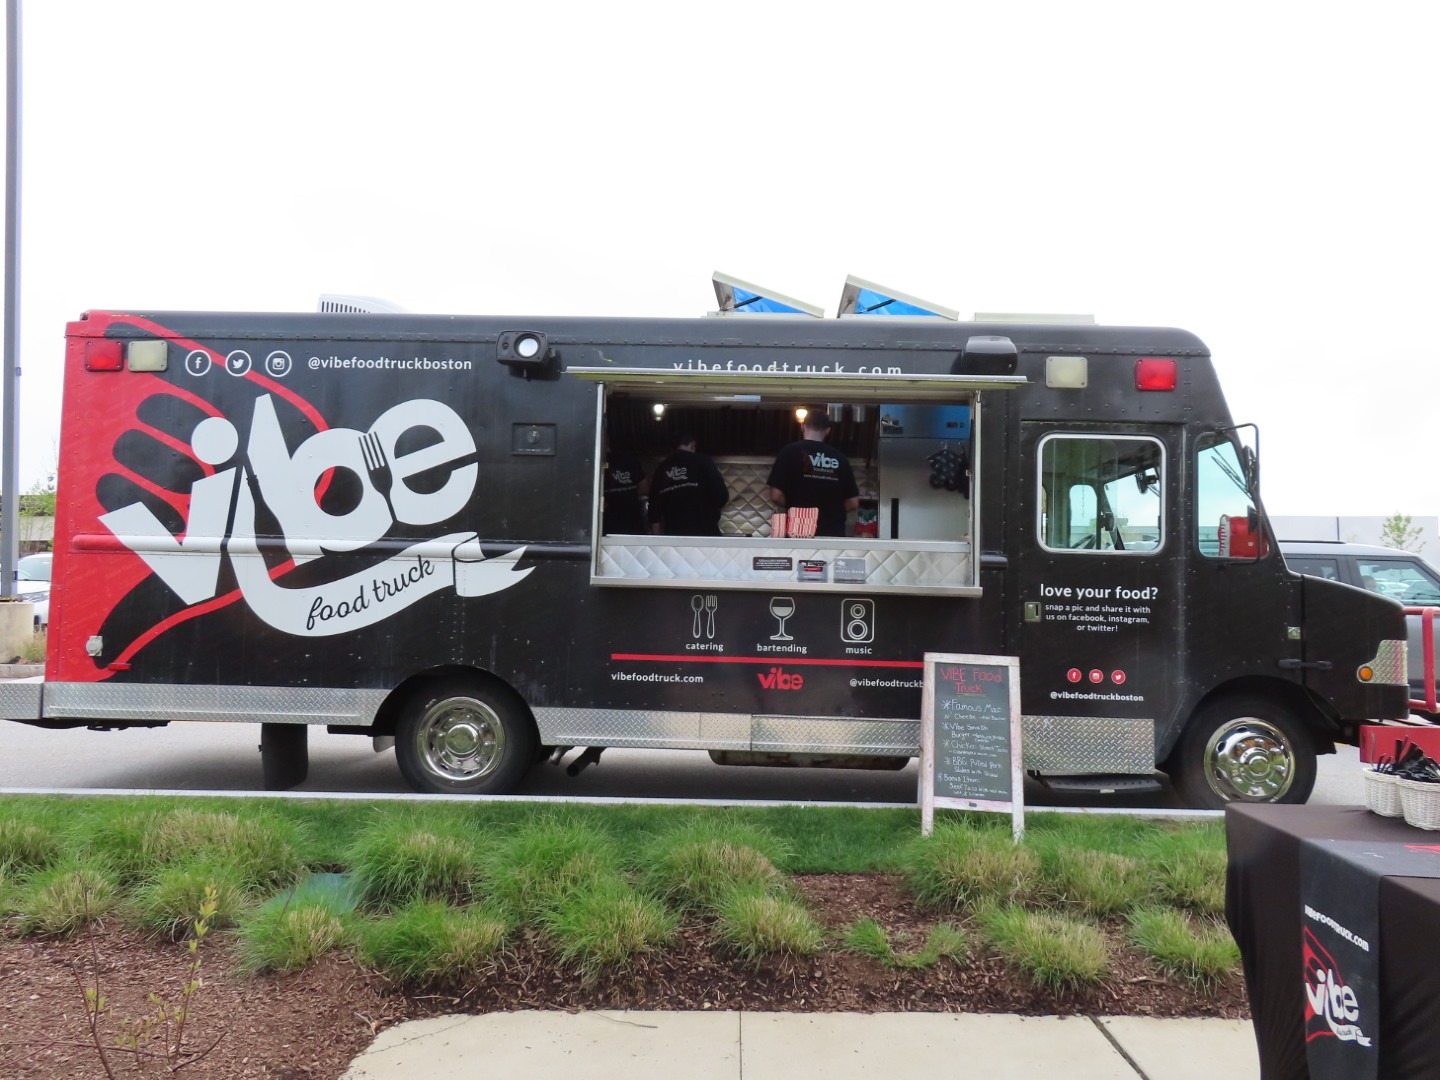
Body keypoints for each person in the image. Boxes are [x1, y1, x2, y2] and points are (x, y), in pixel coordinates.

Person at [767, 410, 859, 537]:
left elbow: (776, 496)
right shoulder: (840, 458)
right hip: (833, 534)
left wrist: (796, 507)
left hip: (799, 531)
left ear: (802, 426)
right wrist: (830, 511)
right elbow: (853, 503)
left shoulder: (788, 452)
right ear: (827, 431)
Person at [647, 433, 729, 536]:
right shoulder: (704, 462)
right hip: (706, 533)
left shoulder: (661, 469)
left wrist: (658, 540)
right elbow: (722, 497)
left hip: (675, 536)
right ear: (692, 445)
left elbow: (654, 513)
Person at [601, 442, 649, 535]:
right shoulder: (629, 460)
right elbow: (644, 488)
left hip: (608, 525)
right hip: (633, 523)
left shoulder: (596, 463)